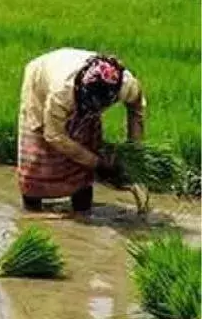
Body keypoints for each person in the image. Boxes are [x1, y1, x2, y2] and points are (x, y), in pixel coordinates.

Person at [16, 49, 144, 212]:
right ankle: (32, 211)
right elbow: (54, 135)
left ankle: (82, 211)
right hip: (39, 82)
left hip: (75, 86)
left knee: (85, 146)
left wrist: (134, 151)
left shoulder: (126, 85)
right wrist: (97, 163)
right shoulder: (62, 91)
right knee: (39, 151)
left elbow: (136, 110)